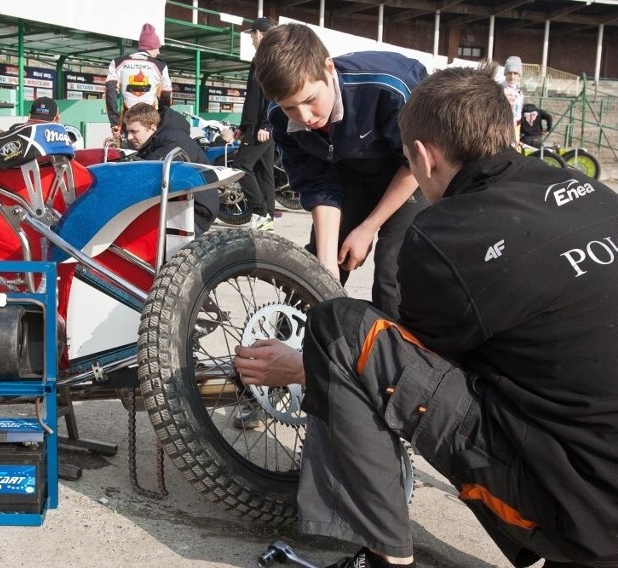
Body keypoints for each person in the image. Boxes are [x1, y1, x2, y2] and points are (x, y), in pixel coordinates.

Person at [234, 64, 618, 568]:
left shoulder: (443, 239)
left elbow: (408, 371)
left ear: (420, 156)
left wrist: (303, 364)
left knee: (340, 331)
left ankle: (384, 557)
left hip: (589, 516)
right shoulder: (596, 194)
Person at [254, 23, 427, 319]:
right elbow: (318, 185)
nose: (305, 117)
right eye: (290, 107)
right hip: (351, 172)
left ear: (328, 68)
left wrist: (367, 228)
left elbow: (414, 164)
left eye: (309, 100)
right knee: (317, 270)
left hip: (407, 175)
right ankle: (293, 348)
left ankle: (392, 360)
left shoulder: (386, 89)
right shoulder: (281, 121)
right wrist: (325, 265)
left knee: (392, 275)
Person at [122, 102, 217, 236]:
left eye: (134, 131)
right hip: (186, 207)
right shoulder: (159, 138)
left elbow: (148, 175)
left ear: (152, 127)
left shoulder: (170, 140)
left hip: (195, 211)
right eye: (128, 131)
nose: (129, 137)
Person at [233, 17, 277, 231]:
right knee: (263, 171)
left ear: (259, 33)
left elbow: (273, 93)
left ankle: (259, 211)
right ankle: (267, 216)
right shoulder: (260, 58)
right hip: (255, 124)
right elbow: (252, 95)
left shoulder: (271, 57)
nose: (251, 39)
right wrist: (243, 125)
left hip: (263, 125)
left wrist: (267, 124)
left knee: (240, 165)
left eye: (252, 34)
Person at [105, 23, 172, 140]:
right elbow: (165, 95)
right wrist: (162, 121)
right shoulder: (160, 65)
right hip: (150, 120)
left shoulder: (117, 62)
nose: (159, 52)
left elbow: (110, 93)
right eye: (158, 48)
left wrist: (115, 122)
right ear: (151, 47)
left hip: (127, 120)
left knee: (128, 154)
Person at [501, 56, 524, 141]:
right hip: (502, 129)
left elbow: (518, 115)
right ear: (505, 74)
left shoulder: (519, 93)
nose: (512, 76)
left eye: (515, 73)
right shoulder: (499, 89)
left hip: (515, 130)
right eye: (509, 73)